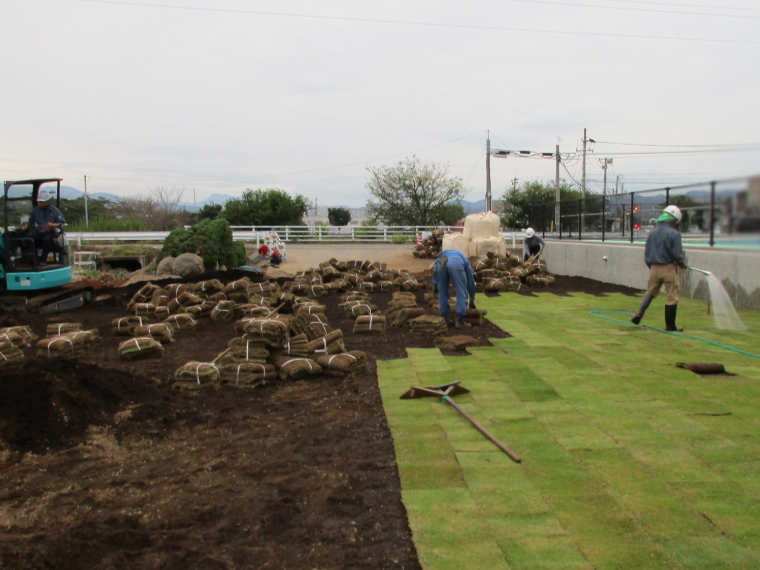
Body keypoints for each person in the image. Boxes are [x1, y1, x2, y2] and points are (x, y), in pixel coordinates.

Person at [631, 205, 688, 332]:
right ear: (673, 220)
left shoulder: (652, 233)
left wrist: (652, 266)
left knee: (650, 293)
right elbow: (677, 255)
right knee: (672, 296)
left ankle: (639, 314)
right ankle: (670, 326)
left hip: (654, 268)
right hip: (668, 268)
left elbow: (647, 254)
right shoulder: (674, 234)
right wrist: (682, 264)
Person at [432, 249, 476, 329]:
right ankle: (460, 321)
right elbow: (470, 281)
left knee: (442, 290)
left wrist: (435, 284)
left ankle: (445, 319)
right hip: (455, 263)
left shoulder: (443, 254)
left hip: (441, 261)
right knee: (461, 290)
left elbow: (434, 271)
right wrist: (472, 299)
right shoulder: (465, 260)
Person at [29, 189, 65, 265]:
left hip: (50, 233)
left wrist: (53, 225)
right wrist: (26, 226)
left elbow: (61, 222)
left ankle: (43, 260)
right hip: (38, 232)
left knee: (47, 239)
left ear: (48, 201)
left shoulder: (55, 211)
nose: (41, 203)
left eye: (43, 202)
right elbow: (30, 222)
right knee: (29, 240)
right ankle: (33, 260)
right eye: (40, 202)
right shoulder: (35, 211)